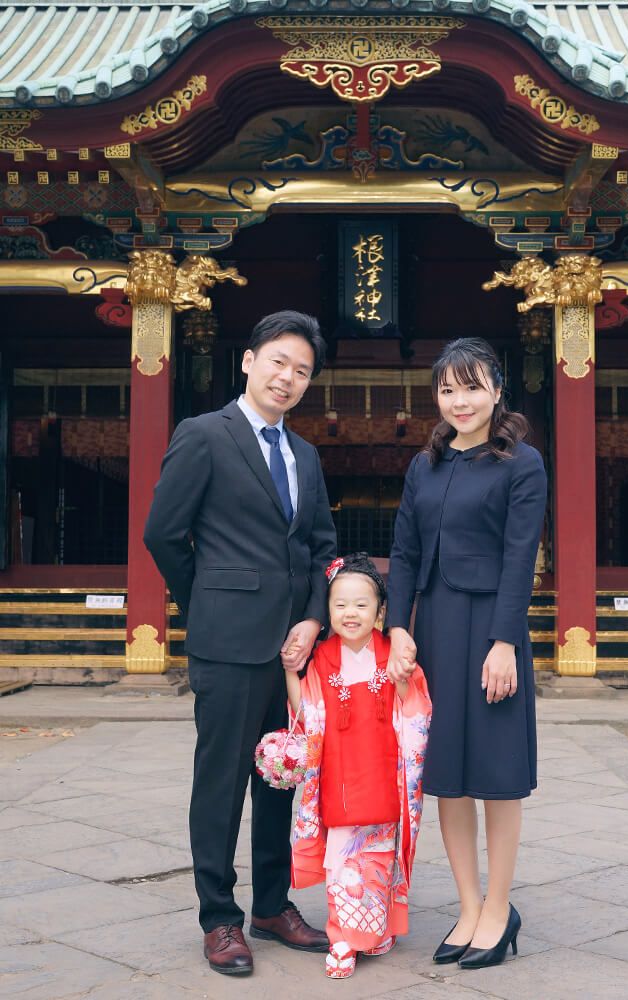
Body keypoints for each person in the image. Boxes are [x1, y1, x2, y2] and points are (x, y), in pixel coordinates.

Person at [144, 311, 337, 976]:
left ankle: (273, 904)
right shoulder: (204, 435)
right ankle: (219, 918)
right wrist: (206, 602)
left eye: (302, 371)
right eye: (279, 362)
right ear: (250, 361)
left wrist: (313, 619)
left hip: (292, 653)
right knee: (222, 783)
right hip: (227, 644)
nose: (288, 378)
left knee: (281, 779)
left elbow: (319, 549)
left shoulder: (303, 455)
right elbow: (163, 533)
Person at [385, 337, 547, 971]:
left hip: (491, 629)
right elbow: (402, 552)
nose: (460, 401)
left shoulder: (521, 462)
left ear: (497, 390)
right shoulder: (424, 465)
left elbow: (520, 554)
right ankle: (468, 905)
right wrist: (399, 628)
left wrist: (505, 640)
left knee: (497, 777)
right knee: (448, 776)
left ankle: (500, 909)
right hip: (435, 631)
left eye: (472, 386)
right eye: (448, 389)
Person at [284, 553, 431, 980]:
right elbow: (307, 715)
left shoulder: (392, 652)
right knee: (343, 860)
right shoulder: (323, 657)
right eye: (340, 604)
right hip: (340, 777)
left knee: (379, 858)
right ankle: (343, 939)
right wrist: (291, 673)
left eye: (362, 605)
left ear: (381, 612)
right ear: (327, 610)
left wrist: (402, 678)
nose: (350, 614)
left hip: (384, 774)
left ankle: (375, 930)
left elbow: (415, 712)